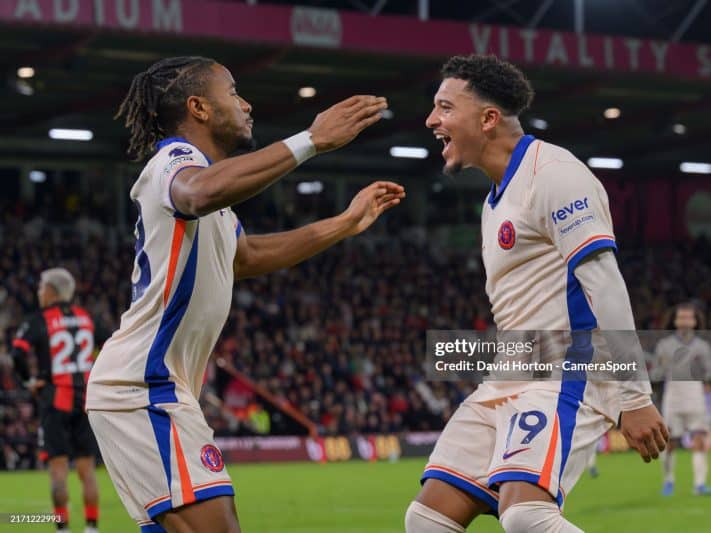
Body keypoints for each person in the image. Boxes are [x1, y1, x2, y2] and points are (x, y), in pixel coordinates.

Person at [85, 56, 404, 533]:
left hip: (160, 388)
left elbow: (247, 256)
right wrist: (311, 140)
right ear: (199, 108)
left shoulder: (210, 187)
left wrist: (342, 224)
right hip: (143, 387)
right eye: (233, 92)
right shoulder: (175, 163)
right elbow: (196, 194)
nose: (247, 104)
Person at [405, 54, 668, 533]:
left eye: (444, 107)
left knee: (526, 516)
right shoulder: (495, 199)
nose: (431, 120)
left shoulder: (554, 174)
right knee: (427, 519)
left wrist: (633, 394)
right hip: (511, 370)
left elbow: (604, 283)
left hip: (568, 366)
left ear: (488, 119)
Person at [11, 268, 108, 533]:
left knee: (58, 471)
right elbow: (112, 344)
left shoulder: (39, 319)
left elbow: (17, 352)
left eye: (42, 287)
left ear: (52, 291)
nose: (39, 292)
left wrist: (29, 382)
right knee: (87, 470)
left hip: (55, 401)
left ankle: (63, 528)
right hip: (86, 402)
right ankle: (91, 528)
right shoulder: (87, 317)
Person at [655, 303, 711, 496]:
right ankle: (668, 481)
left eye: (689, 317)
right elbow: (657, 373)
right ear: (675, 320)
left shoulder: (703, 347)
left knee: (699, 439)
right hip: (673, 396)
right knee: (669, 442)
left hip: (695, 395)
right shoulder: (664, 345)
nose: (685, 321)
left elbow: (708, 374)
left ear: (695, 321)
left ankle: (699, 484)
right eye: (682, 317)